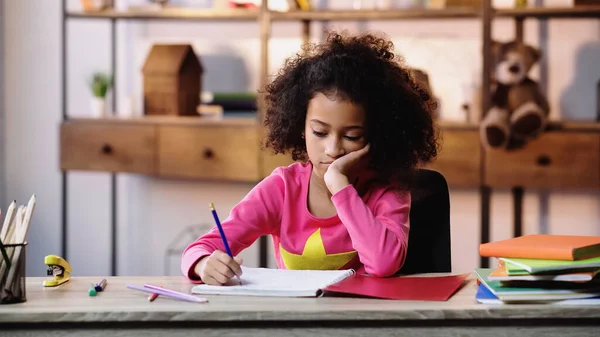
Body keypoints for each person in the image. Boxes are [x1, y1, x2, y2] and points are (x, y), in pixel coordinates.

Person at [181, 30, 439, 285]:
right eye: (319, 132)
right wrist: (204, 264)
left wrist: (340, 184)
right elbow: (199, 248)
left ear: (377, 136)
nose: (333, 149)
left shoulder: (388, 189)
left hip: (363, 322)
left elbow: (383, 263)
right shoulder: (282, 189)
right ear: (300, 129)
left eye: (352, 136)